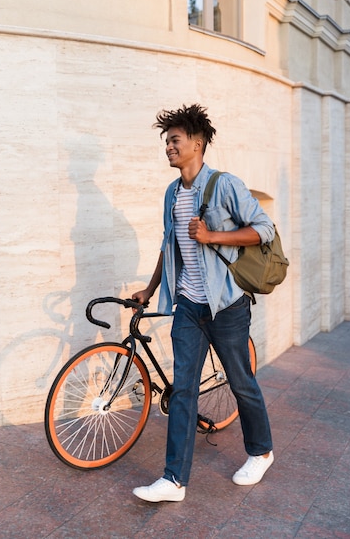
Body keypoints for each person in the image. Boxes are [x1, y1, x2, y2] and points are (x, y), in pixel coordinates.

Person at [132, 104, 274, 503]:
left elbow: (263, 229)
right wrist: (150, 288)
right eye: (167, 142)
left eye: (174, 140)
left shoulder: (225, 185)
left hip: (227, 306)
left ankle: (261, 451)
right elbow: (169, 244)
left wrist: (214, 237)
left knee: (241, 383)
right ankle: (174, 480)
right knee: (183, 392)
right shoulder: (172, 193)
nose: (168, 148)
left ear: (198, 143)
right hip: (189, 308)